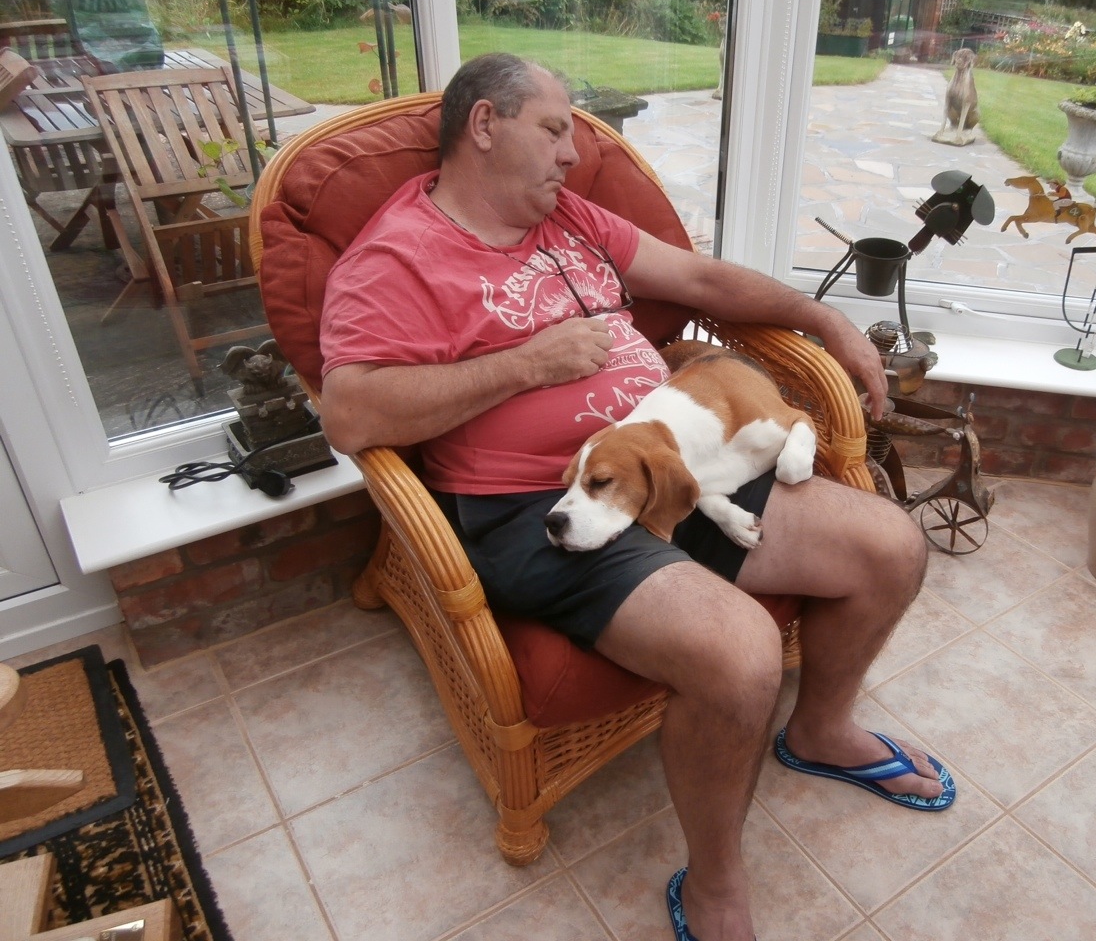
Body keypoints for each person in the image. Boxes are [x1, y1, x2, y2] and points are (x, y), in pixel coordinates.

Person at [318, 53, 952, 941]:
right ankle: (717, 882)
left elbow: (698, 281)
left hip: (671, 468)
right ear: (484, 125)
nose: (573, 152)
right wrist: (527, 365)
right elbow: (348, 414)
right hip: (539, 506)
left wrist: (823, 318)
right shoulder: (398, 258)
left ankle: (821, 728)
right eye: (554, 129)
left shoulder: (567, 217)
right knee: (740, 653)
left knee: (892, 546)